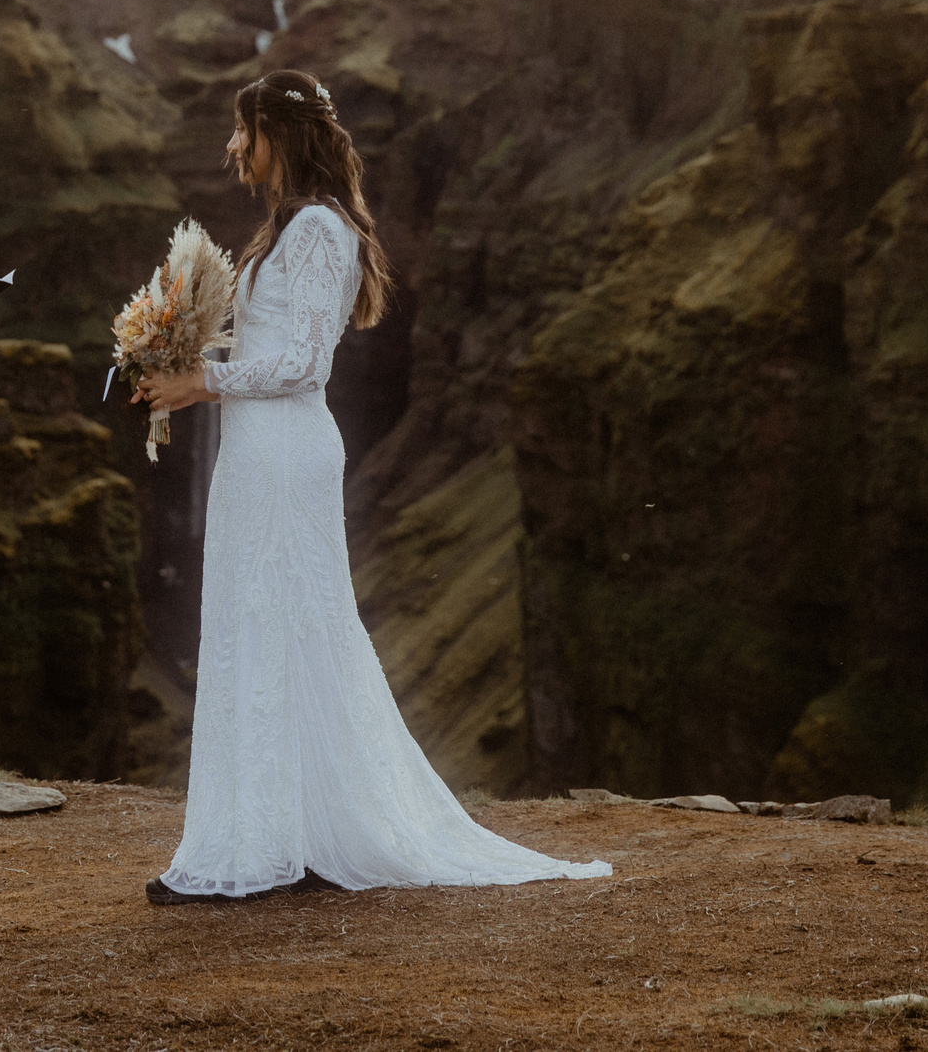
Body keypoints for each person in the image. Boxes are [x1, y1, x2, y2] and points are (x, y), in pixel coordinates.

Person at [133, 69, 610, 904]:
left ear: (281, 134)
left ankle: (275, 847)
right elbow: (268, 348)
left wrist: (203, 382)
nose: (235, 147)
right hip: (254, 453)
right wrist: (182, 362)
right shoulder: (281, 228)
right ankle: (271, 836)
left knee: (286, 623)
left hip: (286, 454)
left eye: (245, 131)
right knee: (257, 622)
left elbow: (306, 364)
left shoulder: (320, 230)